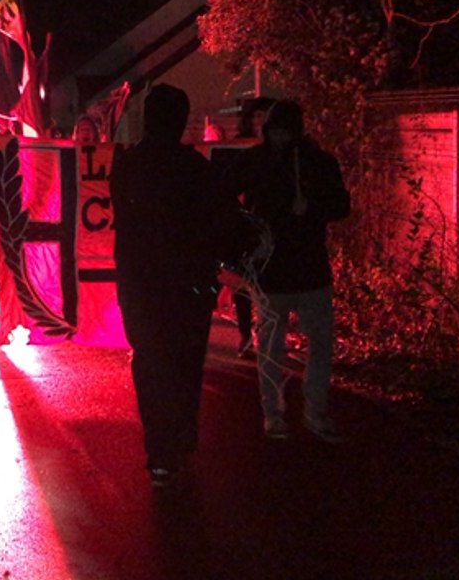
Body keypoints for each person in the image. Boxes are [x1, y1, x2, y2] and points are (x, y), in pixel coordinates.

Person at [110, 83, 231, 487]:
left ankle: (160, 450)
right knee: (184, 364)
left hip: (140, 285)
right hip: (188, 287)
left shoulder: (127, 165)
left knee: (150, 365)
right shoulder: (194, 167)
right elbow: (217, 224)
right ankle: (179, 437)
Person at [222, 99, 350, 442]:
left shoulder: (314, 163)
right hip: (280, 271)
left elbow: (341, 205)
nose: (279, 138)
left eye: (284, 132)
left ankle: (311, 411)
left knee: (313, 343)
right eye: (275, 132)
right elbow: (224, 194)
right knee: (273, 345)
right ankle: (277, 413)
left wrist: (313, 208)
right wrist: (249, 230)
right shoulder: (259, 161)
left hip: (303, 269)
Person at [216, 96, 276, 356]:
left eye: (265, 117)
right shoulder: (241, 148)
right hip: (247, 225)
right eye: (257, 116)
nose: (260, 122)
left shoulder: (281, 153)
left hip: (272, 223)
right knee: (243, 281)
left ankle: (266, 333)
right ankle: (245, 334)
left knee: (266, 282)